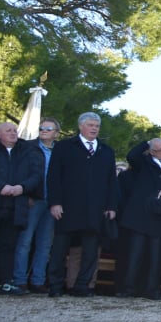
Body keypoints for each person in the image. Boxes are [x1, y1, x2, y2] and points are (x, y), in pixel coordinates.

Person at [47, 112, 119, 298]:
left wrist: (111, 206)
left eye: (97, 126)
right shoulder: (64, 147)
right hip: (68, 207)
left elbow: (111, 181)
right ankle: (55, 285)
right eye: (90, 125)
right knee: (60, 247)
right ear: (81, 126)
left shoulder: (106, 150)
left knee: (90, 250)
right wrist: (55, 202)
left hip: (95, 209)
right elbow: (53, 177)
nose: (94, 128)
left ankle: (82, 286)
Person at [117, 138, 161, 300]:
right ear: (151, 152)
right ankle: (129, 288)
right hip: (140, 216)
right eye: (160, 149)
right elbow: (131, 155)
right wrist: (147, 142)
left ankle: (152, 289)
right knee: (135, 254)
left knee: (156, 257)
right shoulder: (143, 163)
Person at [0, 122, 44, 295]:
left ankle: (5, 282)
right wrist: (0, 186)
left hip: (14, 206)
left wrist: (23, 187)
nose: (13, 133)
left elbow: (36, 175)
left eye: (15, 130)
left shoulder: (26, 151)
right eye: (8, 130)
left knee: (7, 246)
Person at [12, 117, 59, 293]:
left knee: (45, 243)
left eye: (48, 129)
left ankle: (38, 281)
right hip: (33, 199)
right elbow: (20, 172)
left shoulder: (60, 150)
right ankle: (19, 280)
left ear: (56, 133)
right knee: (25, 241)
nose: (44, 131)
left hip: (52, 202)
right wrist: (26, 194)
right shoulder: (27, 147)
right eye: (42, 128)